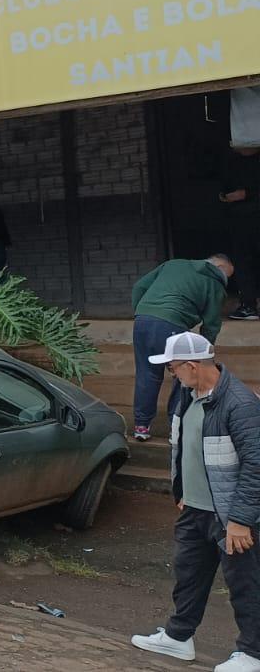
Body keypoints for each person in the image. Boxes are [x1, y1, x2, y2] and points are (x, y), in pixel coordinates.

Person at [132, 331, 260, 671]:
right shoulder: (186, 394)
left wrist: (241, 520)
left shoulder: (240, 404)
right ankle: (178, 638)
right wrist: (182, 493)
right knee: (189, 576)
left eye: (174, 367)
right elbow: (183, 448)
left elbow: (256, 465)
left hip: (230, 516)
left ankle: (253, 653)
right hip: (195, 509)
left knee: (245, 584)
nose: (171, 374)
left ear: (192, 365)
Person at [132, 255, 233, 442]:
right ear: (217, 266)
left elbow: (139, 286)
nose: (225, 281)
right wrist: (203, 351)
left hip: (143, 321)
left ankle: (141, 426)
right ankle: (176, 428)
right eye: (225, 275)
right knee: (183, 377)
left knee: (147, 374)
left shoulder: (174, 264)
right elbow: (211, 324)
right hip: (173, 324)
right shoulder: (214, 284)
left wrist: (141, 311)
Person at [222, 146, 260, 321]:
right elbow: (221, 191)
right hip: (239, 222)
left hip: (254, 215)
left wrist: (248, 193)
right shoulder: (231, 163)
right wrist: (226, 197)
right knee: (243, 261)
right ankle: (249, 305)